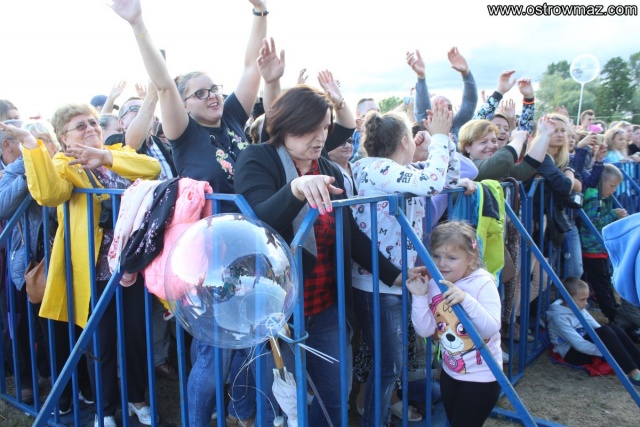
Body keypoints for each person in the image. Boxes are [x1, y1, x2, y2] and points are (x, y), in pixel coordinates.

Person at [234, 84, 422, 427]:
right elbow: (257, 224)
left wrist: (396, 275)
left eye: (324, 127)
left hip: (325, 306)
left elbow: (350, 234)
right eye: (310, 128)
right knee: (280, 403)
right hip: (277, 309)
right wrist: (294, 190)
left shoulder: (329, 169)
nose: (320, 137)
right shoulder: (259, 157)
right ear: (285, 125)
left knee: (334, 397)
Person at [0, 103, 161, 427]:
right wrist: (32, 146)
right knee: (101, 343)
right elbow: (49, 194)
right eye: (80, 126)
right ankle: (105, 411)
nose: (90, 129)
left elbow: (152, 168)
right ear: (64, 136)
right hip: (94, 272)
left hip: (130, 267)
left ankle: (137, 399)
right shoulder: (63, 163)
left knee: (135, 336)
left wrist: (105, 157)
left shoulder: (116, 153)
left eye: (92, 123)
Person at [350, 101, 472, 426]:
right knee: (388, 365)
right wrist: (440, 137)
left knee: (391, 363)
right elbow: (431, 183)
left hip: (395, 281)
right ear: (404, 141)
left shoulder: (394, 171)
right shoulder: (374, 168)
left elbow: (447, 177)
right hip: (376, 284)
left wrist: (440, 142)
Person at [407, 221, 502, 427]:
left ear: (470, 258)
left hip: (483, 377)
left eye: (451, 258)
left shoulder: (482, 282)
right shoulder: (435, 283)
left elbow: (491, 328)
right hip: (450, 373)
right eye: (436, 256)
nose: (442, 264)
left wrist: (465, 299)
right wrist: (419, 296)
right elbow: (425, 330)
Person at [547, 277, 640, 386]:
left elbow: (597, 328)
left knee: (614, 329)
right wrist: (608, 352)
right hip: (572, 353)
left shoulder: (579, 308)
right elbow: (579, 345)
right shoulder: (559, 318)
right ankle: (634, 373)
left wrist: (613, 344)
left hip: (585, 343)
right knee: (606, 332)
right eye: (582, 299)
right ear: (567, 298)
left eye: (587, 299)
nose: (586, 303)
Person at [579, 164, 627, 324]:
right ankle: (612, 315)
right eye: (612, 186)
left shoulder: (601, 197)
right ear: (602, 182)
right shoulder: (594, 198)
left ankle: (614, 310)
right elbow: (592, 223)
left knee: (604, 281)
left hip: (598, 248)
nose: (614, 190)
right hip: (591, 248)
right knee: (601, 284)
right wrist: (613, 214)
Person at [407, 47, 477, 141]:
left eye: (449, 107)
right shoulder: (424, 129)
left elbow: (469, 103)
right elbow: (421, 109)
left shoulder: (457, 126)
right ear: (429, 114)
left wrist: (466, 73)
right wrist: (421, 77)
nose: (445, 111)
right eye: (438, 108)